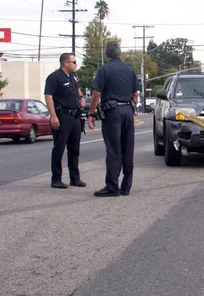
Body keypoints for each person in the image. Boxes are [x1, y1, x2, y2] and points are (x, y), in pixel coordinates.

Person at [87, 41, 140, 197]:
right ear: (120, 53)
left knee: (113, 150)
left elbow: (96, 94)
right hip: (128, 111)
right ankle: (126, 186)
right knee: (127, 149)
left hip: (113, 112)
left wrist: (91, 114)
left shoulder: (104, 70)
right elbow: (135, 94)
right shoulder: (129, 70)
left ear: (106, 54)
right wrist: (132, 109)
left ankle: (112, 186)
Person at [44, 53, 86, 189]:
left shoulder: (73, 77)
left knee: (74, 149)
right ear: (66, 63)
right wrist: (53, 116)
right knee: (59, 148)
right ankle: (56, 179)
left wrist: (82, 97)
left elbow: (77, 90)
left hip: (74, 117)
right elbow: (48, 96)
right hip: (62, 116)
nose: (76, 65)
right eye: (74, 62)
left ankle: (75, 178)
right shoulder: (54, 77)